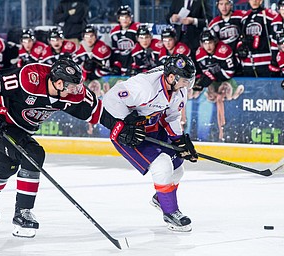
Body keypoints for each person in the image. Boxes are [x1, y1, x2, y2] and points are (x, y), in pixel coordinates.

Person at [0, 58, 103, 238]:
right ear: (59, 82)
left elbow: (97, 110)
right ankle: (22, 214)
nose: (75, 90)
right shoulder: (29, 78)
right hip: (1, 128)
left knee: (6, 166)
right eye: (71, 86)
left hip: (21, 131)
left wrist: (122, 124)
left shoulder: (70, 93)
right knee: (34, 154)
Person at [100, 54, 198, 232]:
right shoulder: (144, 87)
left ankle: (161, 199)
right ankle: (170, 212)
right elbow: (110, 99)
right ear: (171, 77)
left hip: (152, 127)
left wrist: (180, 140)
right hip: (128, 132)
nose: (187, 84)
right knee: (161, 165)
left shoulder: (179, 90)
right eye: (185, 80)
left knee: (178, 166)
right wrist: (126, 122)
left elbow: (172, 117)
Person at [194, 30, 240, 140]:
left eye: (210, 42)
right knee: (212, 98)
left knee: (220, 99)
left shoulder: (224, 50)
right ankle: (219, 130)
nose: (208, 46)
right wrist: (207, 78)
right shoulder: (199, 54)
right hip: (215, 80)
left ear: (215, 41)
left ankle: (224, 128)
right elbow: (205, 70)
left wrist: (212, 77)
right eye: (205, 43)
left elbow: (230, 72)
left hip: (229, 80)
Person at [166, 0, 213, 73]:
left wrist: (193, 21)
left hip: (195, 39)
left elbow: (208, 20)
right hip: (179, 38)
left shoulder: (202, 1)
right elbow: (168, 17)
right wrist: (172, 19)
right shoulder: (176, 1)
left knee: (195, 64)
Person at [236, 0, 276, 77]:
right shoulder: (245, 17)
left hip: (265, 62)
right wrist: (241, 47)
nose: (254, 1)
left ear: (261, 1)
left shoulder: (269, 15)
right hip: (248, 62)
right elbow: (241, 37)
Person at [110, 5, 140, 75]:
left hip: (135, 64)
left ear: (131, 18)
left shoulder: (137, 29)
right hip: (121, 64)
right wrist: (116, 65)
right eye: (122, 17)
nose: (124, 19)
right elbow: (115, 52)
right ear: (118, 18)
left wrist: (135, 65)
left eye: (127, 17)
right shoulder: (114, 32)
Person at [269, 0, 284, 76]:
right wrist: (274, 59)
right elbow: (274, 43)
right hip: (280, 58)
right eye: (282, 7)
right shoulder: (275, 23)